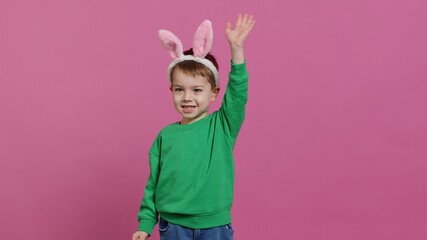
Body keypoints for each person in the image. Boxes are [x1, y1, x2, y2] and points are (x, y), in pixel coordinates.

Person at [132, 14, 255, 240]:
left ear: (214, 93)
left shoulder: (222, 126)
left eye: (197, 90)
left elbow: (238, 95)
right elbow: (153, 183)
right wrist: (146, 222)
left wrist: (237, 51)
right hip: (173, 227)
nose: (187, 97)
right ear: (172, 91)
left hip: (215, 227)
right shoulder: (165, 136)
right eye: (180, 89)